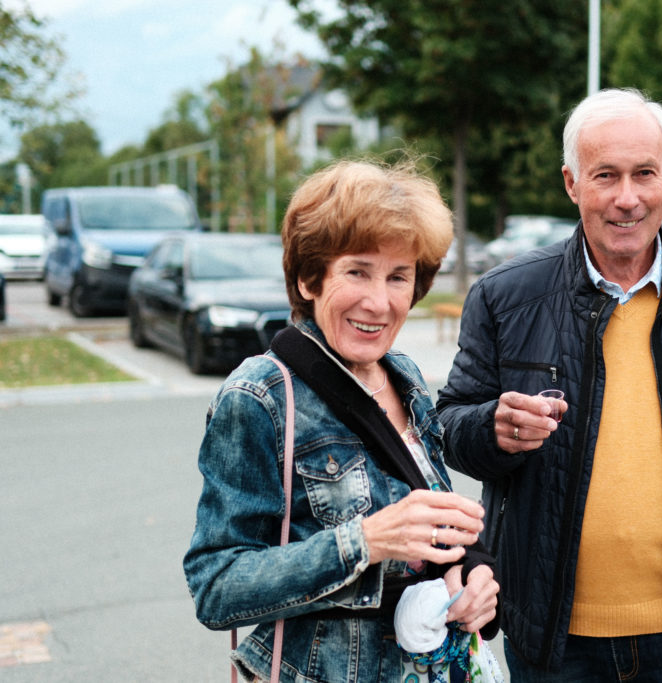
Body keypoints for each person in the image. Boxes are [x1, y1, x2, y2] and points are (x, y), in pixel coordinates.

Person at [436, 88, 662, 681]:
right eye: (605, 175)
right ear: (571, 183)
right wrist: (492, 428)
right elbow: (447, 428)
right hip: (553, 642)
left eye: (644, 174)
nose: (627, 199)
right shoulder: (505, 296)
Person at [184, 159, 500, 683]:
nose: (379, 302)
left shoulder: (405, 377)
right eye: (357, 271)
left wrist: (476, 578)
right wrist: (366, 541)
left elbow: (435, 524)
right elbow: (215, 586)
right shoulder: (260, 396)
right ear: (310, 278)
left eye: (399, 277)